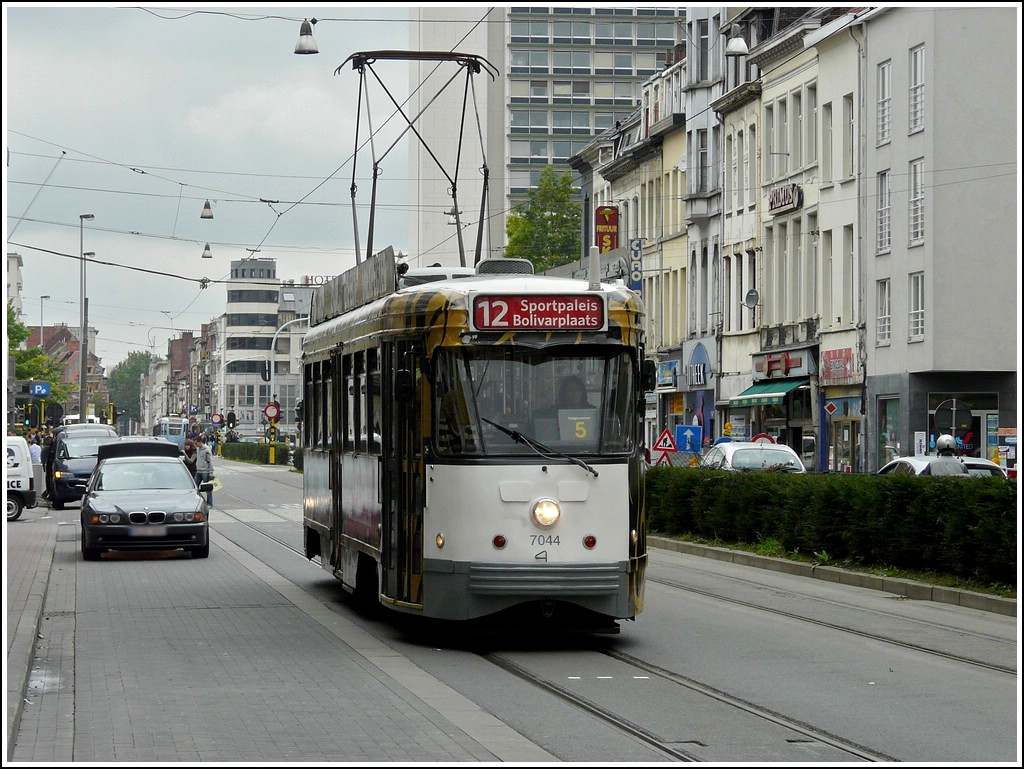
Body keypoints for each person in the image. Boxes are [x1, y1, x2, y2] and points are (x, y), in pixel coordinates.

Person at [194, 437, 215, 505]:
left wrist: (211, 472)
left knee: (208, 488)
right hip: (198, 471)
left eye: (196, 443)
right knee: (194, 487)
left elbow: (210, 461)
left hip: (205, 471)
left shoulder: (206, 450)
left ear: (200, 442)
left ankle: (210, 503)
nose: (195, 444)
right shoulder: (198, 449)